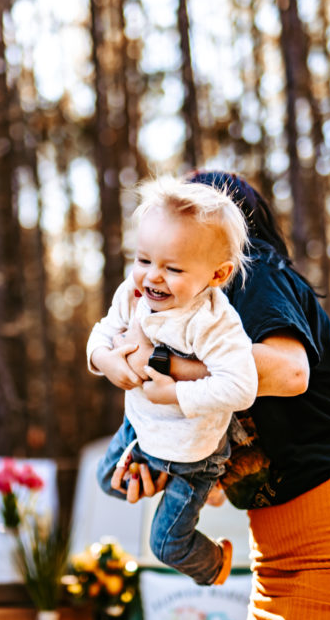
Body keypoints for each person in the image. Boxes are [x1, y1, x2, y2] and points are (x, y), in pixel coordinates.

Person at [108, 171, 330, 620]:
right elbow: (224, 485)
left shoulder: (252, 270)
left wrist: (162, 364)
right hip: (271, 568)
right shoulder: (199, 315)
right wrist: (160, 466)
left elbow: (290, 373)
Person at [87, 175, 258, 586]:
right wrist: (104, 359)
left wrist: (173, 392)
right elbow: (104, 331)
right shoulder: (133, 293)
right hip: (142, 427)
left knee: (167, 545)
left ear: (217, 275)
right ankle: (178, 484)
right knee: (105, 480)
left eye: (173, 268)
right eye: (144, 260)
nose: (152, 278)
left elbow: (241, 385)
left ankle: (214, 562)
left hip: (193, 453)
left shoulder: (213, 323)